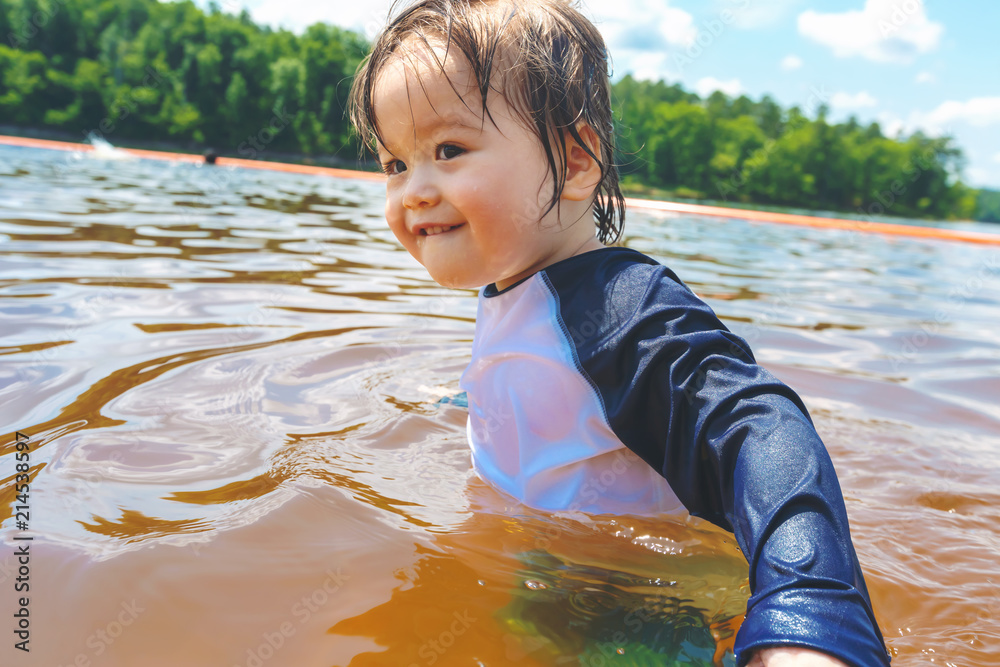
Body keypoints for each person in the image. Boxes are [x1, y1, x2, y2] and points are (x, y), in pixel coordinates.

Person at [348, 1, 891, 665]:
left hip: (635, 606)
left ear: (576, 163)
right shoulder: (519, 288)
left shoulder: (619, 308)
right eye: (394, 164)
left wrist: (810, 608)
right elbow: (555, 391)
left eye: (448, 150)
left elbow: (761, 425)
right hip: (547, 570)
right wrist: (466, 403)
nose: (414, 191)